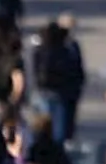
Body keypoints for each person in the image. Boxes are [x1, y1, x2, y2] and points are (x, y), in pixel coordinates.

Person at [31, 16, 86, 144]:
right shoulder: (63, 50)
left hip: (49, 91)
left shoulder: (41, 49)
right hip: (57, 92)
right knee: (57, 130)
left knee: (47, 125)